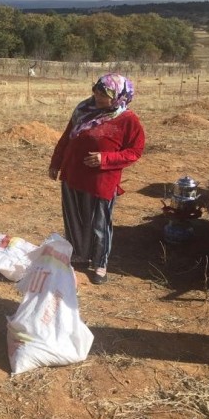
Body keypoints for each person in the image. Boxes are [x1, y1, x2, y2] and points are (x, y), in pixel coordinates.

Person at [48, 73, 145, 285]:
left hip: (102, 181)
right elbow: (67, 137)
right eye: (96, 91)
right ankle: (80, 255)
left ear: (119, 96)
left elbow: (135, 151)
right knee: (74, 219)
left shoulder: (127, 120)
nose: (97, 97)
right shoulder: (83, 109)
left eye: (104, 94)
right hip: (73, 175)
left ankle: (100, 263)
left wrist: (105, 159)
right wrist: (56, 162)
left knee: (99, 224)